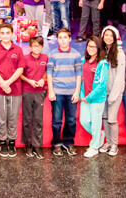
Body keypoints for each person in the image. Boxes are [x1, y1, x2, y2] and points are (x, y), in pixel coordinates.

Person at [0, 23, 24, 157]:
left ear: (12, 34)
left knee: (13, 117)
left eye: (7, 33)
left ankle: (12, 142)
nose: (5, 35)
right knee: (1, 117)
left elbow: (20, 69)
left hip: (15, 89)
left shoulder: (18, 50)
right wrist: (3, 83)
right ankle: (3, 141)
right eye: (2, 33)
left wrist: (8, 82)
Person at [47, 28, 81, 156]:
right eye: (60, 37)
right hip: (57, 92)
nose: (63, 40)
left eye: (65, 37)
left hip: (71, 92)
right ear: (57, 39)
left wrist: (77, 91)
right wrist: (51, 90)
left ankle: (69, 143)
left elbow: (79, 74)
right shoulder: (52, 54)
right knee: (56, 119)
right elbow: (49, 73)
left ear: (70, 38)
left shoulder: (76, 55)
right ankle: (56, 143)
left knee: (71, 120)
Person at [79, 36, 109, 158]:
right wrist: (82, 95)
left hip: (96, 99)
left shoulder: (102, 64)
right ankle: (100, 135)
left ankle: (94, 147)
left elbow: (102, 84)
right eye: (89, 46)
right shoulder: (83, 61)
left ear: (98, 48)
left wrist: (90, 97)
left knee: (96, 123)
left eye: (94, 46)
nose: (91, 49)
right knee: (84, 121)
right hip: (85, 98)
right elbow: (81, 80)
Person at [99, 26, 125, 156]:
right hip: (103, 93)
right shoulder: (102, 52)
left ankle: (114, 144)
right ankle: (108, 142)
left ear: (115, 38)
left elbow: (120, 76)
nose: (108, 37)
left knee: (112, 119)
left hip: (114, 93)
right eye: (106, 35)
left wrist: (113, 96)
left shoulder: (120, 54)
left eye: (111, 35)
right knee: (105, 118)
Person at [20, 37, 48, 159]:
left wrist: (43, 79)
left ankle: (38, 146)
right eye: (34, 46)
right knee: (27, 119)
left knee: (38, 120)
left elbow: (48, 72)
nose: (36, 48)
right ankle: (28, 144)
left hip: (40, 92)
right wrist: (29, 81)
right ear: (30, 47)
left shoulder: (45, 58)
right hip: (27, 91)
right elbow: (20, 74)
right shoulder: (25, 58)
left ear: (42, 47)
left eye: (39, 46)